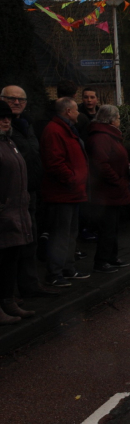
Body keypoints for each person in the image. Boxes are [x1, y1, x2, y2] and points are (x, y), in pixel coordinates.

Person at [1, 86, 56, 297]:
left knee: (29, 239)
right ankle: (10, 294)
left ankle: (29, 286)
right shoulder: (5, 128)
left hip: (30, 193)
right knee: (11, 246)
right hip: (9, 198)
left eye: (20, 99)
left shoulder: (27, 124)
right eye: (11, 99)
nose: (16, 102)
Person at [40, 97, 90, 286]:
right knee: (60, 234)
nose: (79, 113)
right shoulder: (55, 131)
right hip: (62, 193)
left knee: (70, 233)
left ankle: (68, 268)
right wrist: (72, 180)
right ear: (68, 111)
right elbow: (55, 163)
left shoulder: (66, 129)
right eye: (76, 110)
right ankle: (55, 273)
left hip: (72, 192)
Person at [86, 105, 130, 272]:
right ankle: (102, 261)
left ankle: (111, 257)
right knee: (107, 227)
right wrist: (118, 180)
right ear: (111, 120)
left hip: (112, 189)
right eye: (119, 117)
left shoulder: (109, 136)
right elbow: (101, 163)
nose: (120, 120)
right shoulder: (101, 137)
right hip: (106, 190)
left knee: (112, 226)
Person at [0, 100, 35, 323]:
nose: (5, 120)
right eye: (1, 117)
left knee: (10, 259)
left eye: (8, 117)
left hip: (16, 212)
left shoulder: (8, 142)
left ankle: (8, 301)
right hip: (4, 212)